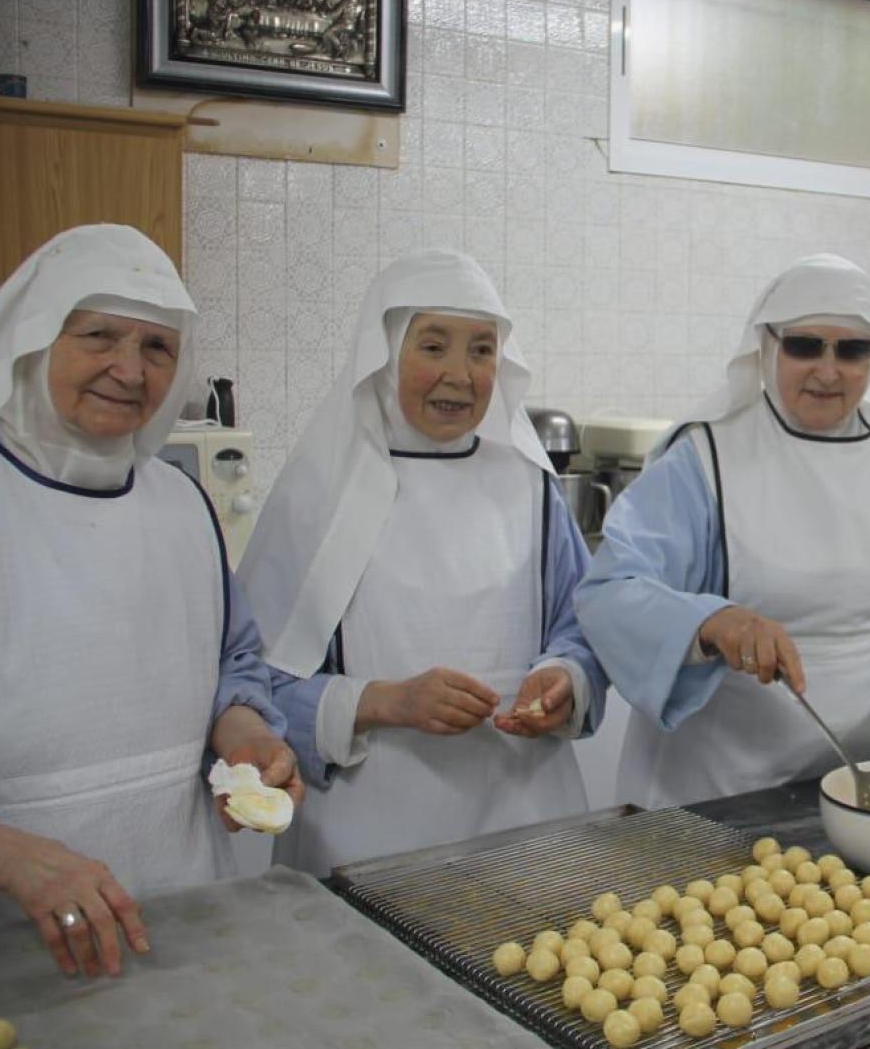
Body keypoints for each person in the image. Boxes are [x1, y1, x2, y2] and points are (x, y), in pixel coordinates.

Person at [0, 225, 298, 976]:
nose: (129, 370)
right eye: (98, 335)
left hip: (184, 907)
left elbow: (232, 662)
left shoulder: (182, 504)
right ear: (35, 339)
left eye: (157, 348)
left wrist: (244, 735)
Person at [575, 254, 870, 808]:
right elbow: (611, 590)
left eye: (853, 350)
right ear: (767, 347)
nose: (828, 371)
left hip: (865, 783)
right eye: (805, 346)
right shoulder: (707, 455)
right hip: (720, 791)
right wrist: (713, 621)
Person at [239, 250, 606, 876]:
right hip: (369, 835)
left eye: (482, 350)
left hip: (527, 820)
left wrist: (564, 681)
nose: (460, 376)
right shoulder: (320, 493)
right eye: (433, 347)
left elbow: (585, 629)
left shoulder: (529, 485)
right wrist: (386, 702)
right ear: (383, 354)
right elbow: (255, 685)